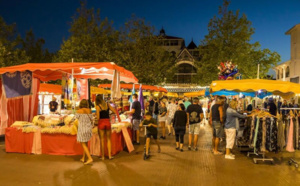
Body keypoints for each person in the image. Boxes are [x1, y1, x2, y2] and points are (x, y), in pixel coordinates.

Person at [95, 94, 117, 160]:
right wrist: (110, 114)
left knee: (102, 140)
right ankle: (110, 156)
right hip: (107, 122)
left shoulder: (98, 106)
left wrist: (96, 116)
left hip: (101, 123)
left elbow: (98, 117)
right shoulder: (107, 104)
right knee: (108, 139)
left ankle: (103, 157)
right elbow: (114, 111)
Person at [76, 99, 94, 164]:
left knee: (83, 144)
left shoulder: (78, 111)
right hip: (88, 129)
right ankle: (83, 158)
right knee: (85, 143)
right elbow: (92, 119)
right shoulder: (89, 110)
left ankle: (90, 158)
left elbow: (76, 118)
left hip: (82, 129)